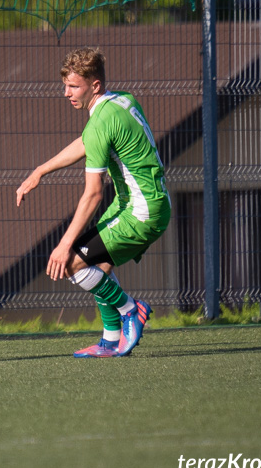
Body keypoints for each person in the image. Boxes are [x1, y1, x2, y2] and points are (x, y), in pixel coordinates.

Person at [15, 47, 170, 357]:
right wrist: (41, 170)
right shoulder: (121, 101)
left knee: (72, 264)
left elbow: (94, 194)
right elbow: (87, 141)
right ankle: (110, 340)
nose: (66, 93)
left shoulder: (100, 123)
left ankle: (131, 310)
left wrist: (63, 245)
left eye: (74, 86)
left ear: (94, 85)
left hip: (139, 212)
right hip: (149, 202)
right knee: (99, 263)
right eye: (66, 85)